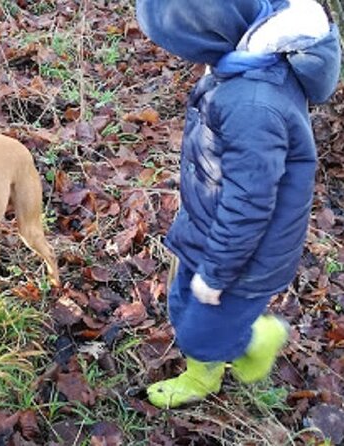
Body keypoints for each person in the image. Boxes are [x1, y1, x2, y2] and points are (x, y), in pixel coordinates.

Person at [135, 0, 341, 408]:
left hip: (247, 256)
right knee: (182, 304)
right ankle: (213, 347)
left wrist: (215, 274)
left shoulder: (252, 103)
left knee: (201, 330)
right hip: (214, 229)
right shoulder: (244, 63)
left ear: (208, 36)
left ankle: (247, 347)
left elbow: (249, 205)